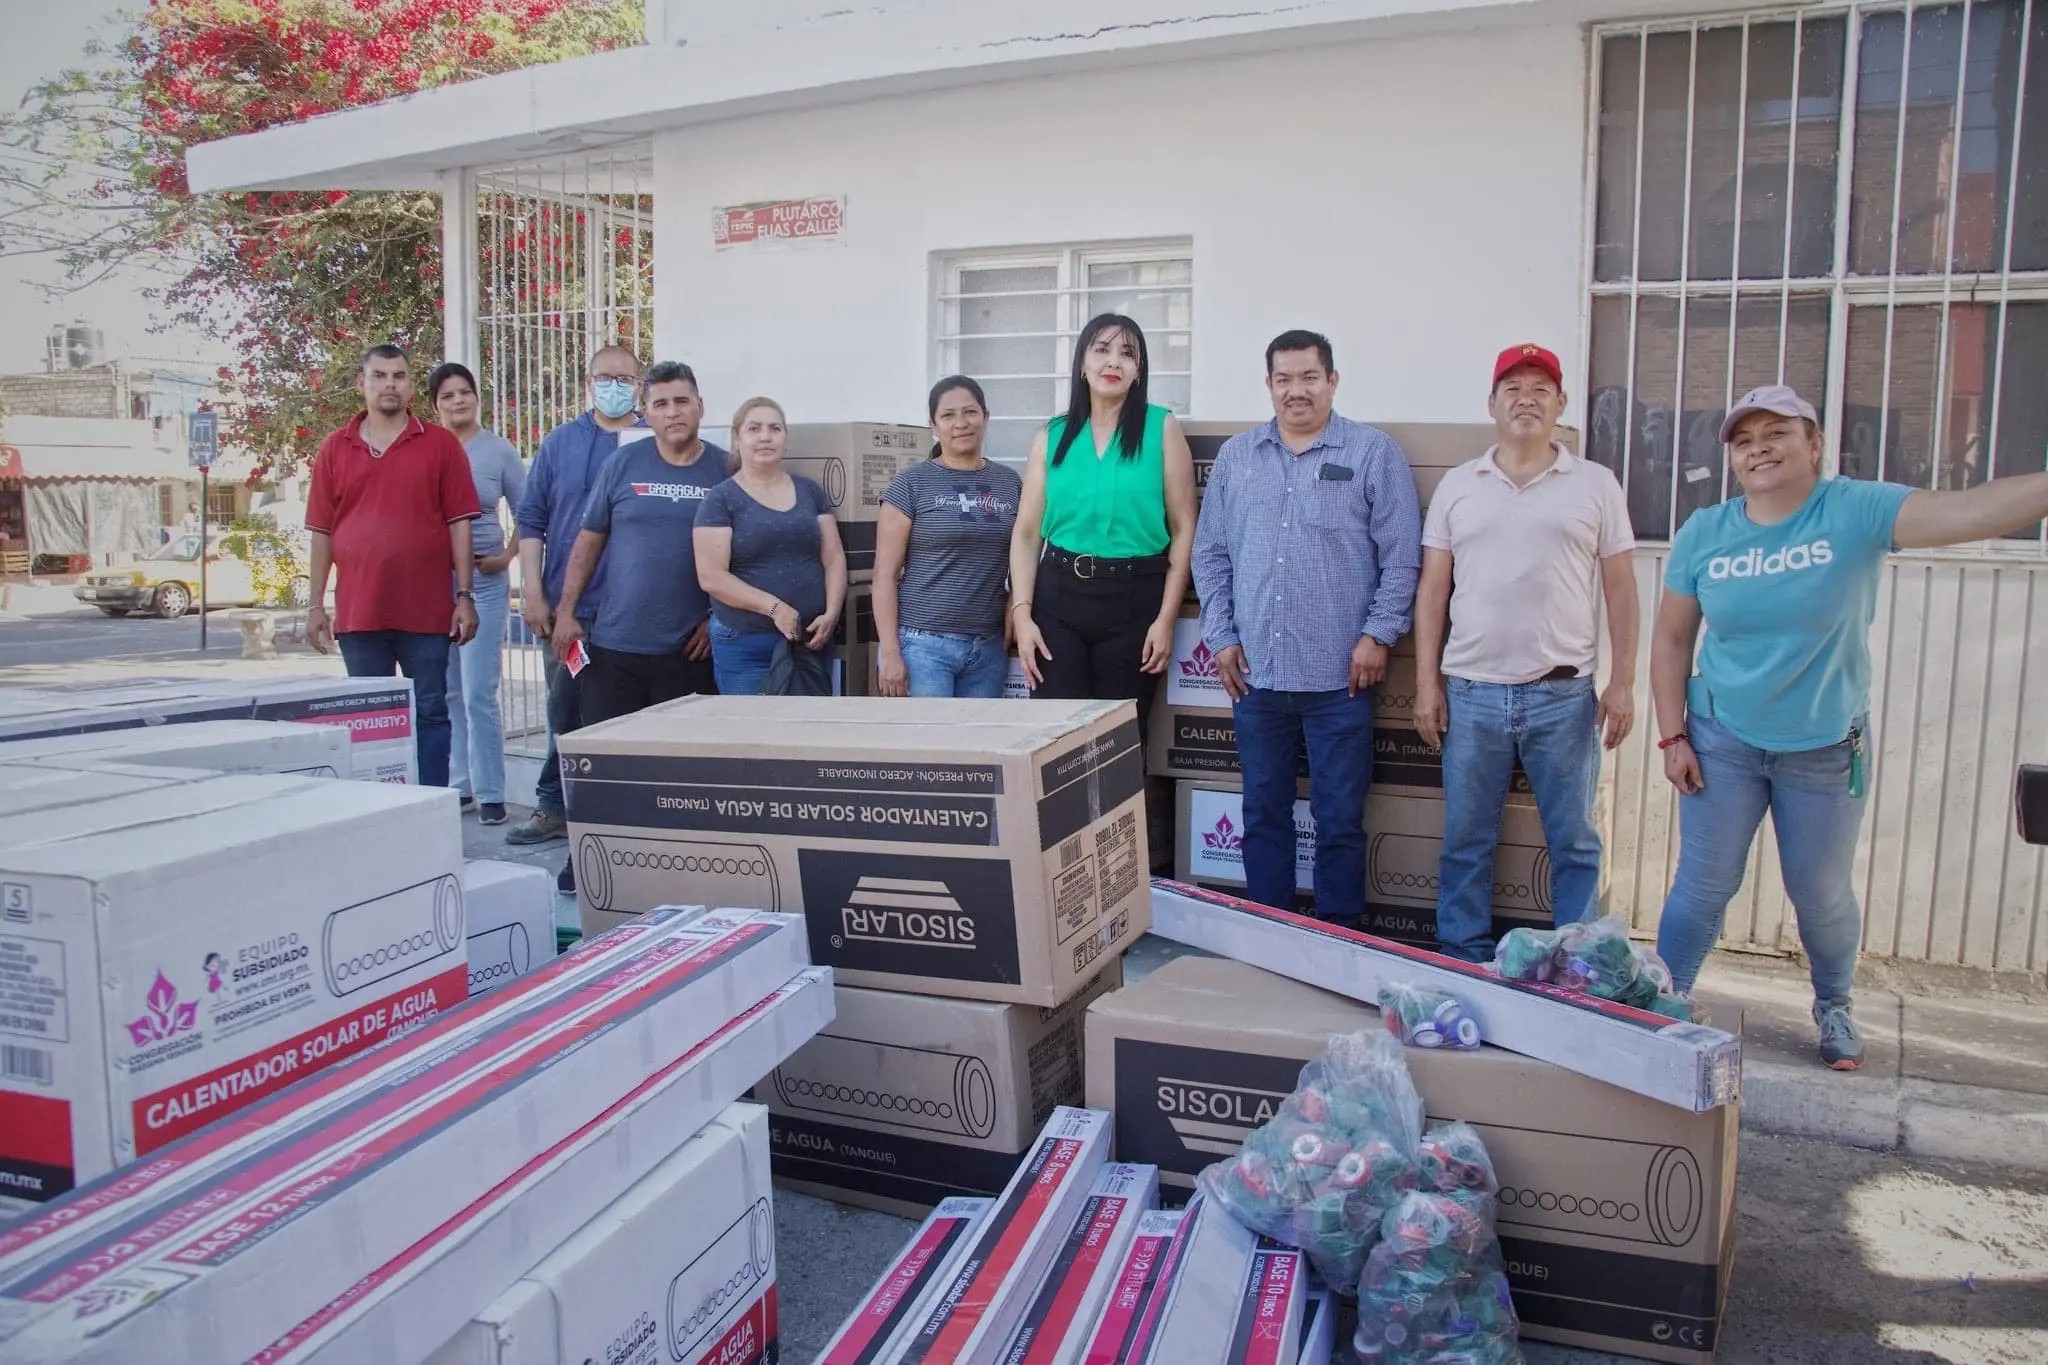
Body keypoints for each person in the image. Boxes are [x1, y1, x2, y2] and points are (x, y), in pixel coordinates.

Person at [1651, 384, 2048, 1070]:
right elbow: (1671, 639)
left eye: (1777, 433)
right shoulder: (1705, 532)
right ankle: (1661, 1000)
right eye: (1744, 441)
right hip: (1722, 740)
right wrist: (1672, 734)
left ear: (1815, 444)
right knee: (1703, 884)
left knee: (1821, 893)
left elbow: (1967, 510)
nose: (1759, 449)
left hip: (1825, 747)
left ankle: (1834, 1002)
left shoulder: (1855, 510)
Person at [1411, 343, 1638, 961]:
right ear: (1492, 404)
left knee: (1573, 841)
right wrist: (1426, 684)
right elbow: (1433, 590)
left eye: (1541, 388)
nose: (1526, 398)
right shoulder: (1460, 486)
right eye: (1513, 388)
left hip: (1563, 696)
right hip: (1472, 693)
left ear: (1561, 404)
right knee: (1465, 839)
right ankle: (1464, 955)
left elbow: (1620, 586)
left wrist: (1623, 683)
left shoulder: (1594, 484)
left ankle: (1580, 960)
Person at [1191, 330, 1422, 927]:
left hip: (1340, 681)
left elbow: (1401, 556)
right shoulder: (1238, 459)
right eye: (1284, 379)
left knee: (1339, 822)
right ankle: (1268, 941)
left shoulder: (1373, 454)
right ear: (1269, 385)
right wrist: (1220, 636)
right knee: (1263, 814)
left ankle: (1338, 946)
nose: (1297, 391)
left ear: (1333, 381)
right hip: (1257, 679)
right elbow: (1210, 553)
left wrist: (1379, 635)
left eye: (1309, 377)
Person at [304, 343, 481, 789]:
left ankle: (433, 807)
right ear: (361, 383)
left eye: (399, 376)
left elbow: (460, 524)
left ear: (409, 385)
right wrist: (314, 605)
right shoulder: (334, 448)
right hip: (360, 613)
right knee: (370, 722)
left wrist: (464, 595)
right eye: (379, 376)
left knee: (431, 712)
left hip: (426, 612)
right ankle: (379, 815)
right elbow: (321, 532)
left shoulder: (439, 445)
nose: (390, 384)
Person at [1010, 314, 1197, 733]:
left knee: (1120, 745)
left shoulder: (1161, 428)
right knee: (1055, 742)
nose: (1114, 362)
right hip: (1058, 600)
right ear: (1082, 363)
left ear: (1139, 370)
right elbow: (1025, 534)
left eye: (1127, 354)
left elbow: (1185, 528)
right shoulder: (1050, 435)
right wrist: (1023, 615)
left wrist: (1166, 619)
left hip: (1134, 601)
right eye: (1102, 350)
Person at [505, 346, 645, 886]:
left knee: (618, 721)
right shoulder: (560, 444)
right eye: (605, 377)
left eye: (625, 378)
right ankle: (555, 807)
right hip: (568, 610)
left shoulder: (647, 444)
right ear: (588, 381)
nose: (615, 385)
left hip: (630, 612)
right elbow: (533, 519)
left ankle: (614, 819)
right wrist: (533, 592)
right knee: (564, 710)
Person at [551, 362, 726, 723]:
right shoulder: (622, 463)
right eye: (660, 404)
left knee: (680, 769)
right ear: (646, 413)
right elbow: (588, 541)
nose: (673, 412)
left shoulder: (727, 470)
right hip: (616, 647)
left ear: (700, 406)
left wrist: (718, 618)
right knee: (611, 765)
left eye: (682, 401)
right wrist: (566, 611)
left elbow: (746, 554)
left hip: (689, 652)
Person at [873, 376, 1021, 698]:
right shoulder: (911, 484)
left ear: (986, 417)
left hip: (988, 647)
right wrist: (890, 652)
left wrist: (1015, 601)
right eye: (948, 415)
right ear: (933, 425)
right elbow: (884, 575)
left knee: (980, 745)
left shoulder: (1010, 483)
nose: (961, 423)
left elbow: (1024, 553)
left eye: (970, 412)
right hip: (923, 648)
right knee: (930, 744)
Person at [693, 397, 847, 696]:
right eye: (754, 429)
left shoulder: (809, 491)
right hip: (746, 645)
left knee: (809, 733)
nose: (765, 436)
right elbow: (711, 576)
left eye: (775, 428)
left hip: (809, 642)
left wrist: (831, 613)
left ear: (785, 439)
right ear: (737, 439)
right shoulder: (721, 499)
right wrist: (774, 608)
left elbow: (834, 557)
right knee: (755, 735)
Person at [427, 361, 525, 825]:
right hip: (434, 583)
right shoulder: (425, 449)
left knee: (477, 691)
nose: (458, 401)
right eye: (447, 395)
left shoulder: (498, 452)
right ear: (435, 405)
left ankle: (491, 793)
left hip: (484, 583)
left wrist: (507, 557)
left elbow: (532, 513)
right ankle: (459, 785)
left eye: (464, 392)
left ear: (477, 398)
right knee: (447, 691)